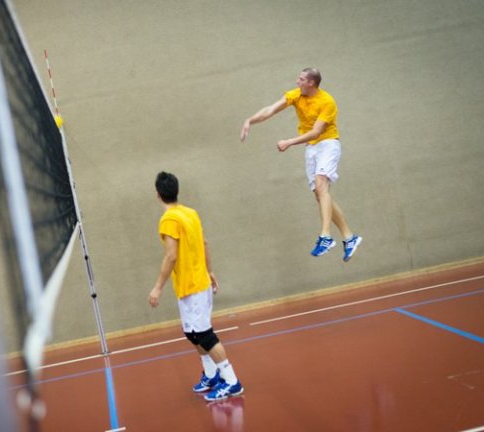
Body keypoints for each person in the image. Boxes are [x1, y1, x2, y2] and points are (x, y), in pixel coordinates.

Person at [240, 67, 362, 261]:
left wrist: (289, 142)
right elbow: (270, 110)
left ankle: (326, 236)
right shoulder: (296, 95)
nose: (297, 81)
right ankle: (349, 237)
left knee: (322, 186)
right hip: (311, 148)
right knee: (320, 195)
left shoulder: (327, 102)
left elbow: (316, 132)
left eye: (301, 79)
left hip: (328, 143)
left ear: (311, 83)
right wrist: (250, 120)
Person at [148, 171, 244, 402]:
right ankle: (211, 375)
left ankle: (232, 381)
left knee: (204, 334)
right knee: (192, 334)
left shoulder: (169, 219)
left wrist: (157, 287)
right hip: (191, 284)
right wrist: (210, 270)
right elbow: (204, 243)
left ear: (158, 195)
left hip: (193, 286)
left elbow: (171, 256)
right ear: (175, 191)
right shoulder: (190, 213)